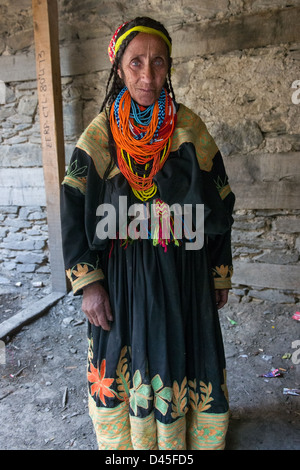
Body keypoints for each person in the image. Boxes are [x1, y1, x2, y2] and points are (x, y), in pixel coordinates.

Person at [60, 16, 235, 450]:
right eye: (135, 63)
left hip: (184, 273)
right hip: (124, 281)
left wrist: (218, 271)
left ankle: (184, 449)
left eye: (158, 63)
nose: (147, 75)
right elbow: (72, 208)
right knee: (128, 358)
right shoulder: (99, 137)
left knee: (183, 354)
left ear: (169, 67)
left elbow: (221, 201)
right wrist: (89, 285)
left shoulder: (189, 130)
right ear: (119, 69)